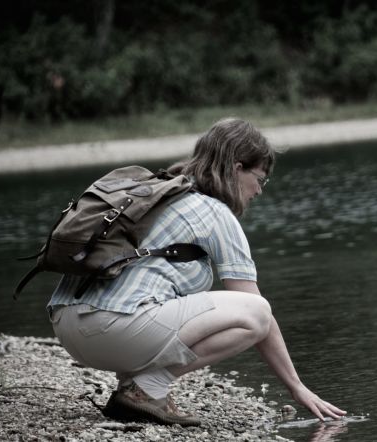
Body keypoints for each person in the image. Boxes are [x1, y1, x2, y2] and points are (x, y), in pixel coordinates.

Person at [47, 118, 347, 426]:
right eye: (261, 178)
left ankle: (132, 386)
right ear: (236, 168)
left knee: (156, 298)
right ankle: (146, 389)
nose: (259, 190)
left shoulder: (159, 192)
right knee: (257, 312)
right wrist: (297, 387)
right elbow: (260, 315)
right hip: (113, 331)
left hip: (67, 326)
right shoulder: (214, 211)